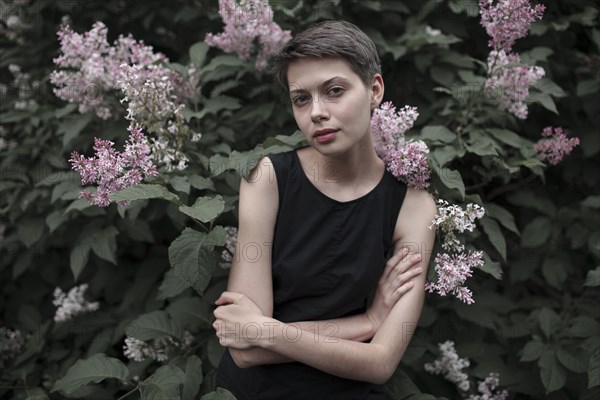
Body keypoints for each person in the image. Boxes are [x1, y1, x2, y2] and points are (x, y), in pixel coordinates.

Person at [213, 20, 437, 399]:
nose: (316, 112)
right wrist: (367, 322)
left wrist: (265, 329)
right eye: (302, 98)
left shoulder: (413, 206)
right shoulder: (268, 179)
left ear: (375, 90)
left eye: (334, 91)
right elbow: (245, 350)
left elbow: (381, 364)